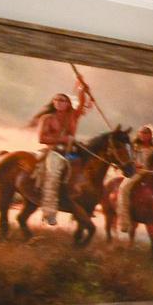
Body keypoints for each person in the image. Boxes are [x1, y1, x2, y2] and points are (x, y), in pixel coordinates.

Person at [28, 87, 92, 229]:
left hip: (70, 152)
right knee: (53, 176)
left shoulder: (73, 116)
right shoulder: (47, 118)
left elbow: (81, 104)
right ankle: (49, 213)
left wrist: (83, 90)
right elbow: (41, 138)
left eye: (62, 100)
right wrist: (63, 138)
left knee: (87, 170)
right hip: (54, 152)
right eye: (56, 100)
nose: (59, 102)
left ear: (68, 103)